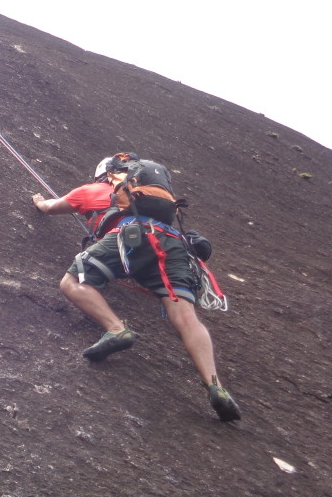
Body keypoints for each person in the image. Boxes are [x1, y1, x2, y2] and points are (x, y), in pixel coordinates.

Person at [32, 153, 241, 421]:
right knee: (187, 318)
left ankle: (116, 330)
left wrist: (40, 202)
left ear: (106, 175)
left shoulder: (92, 190)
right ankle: (216, 387)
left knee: (72, 282)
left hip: (132, 236)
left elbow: (51, 207)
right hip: (173, 244)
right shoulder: (155, 200)